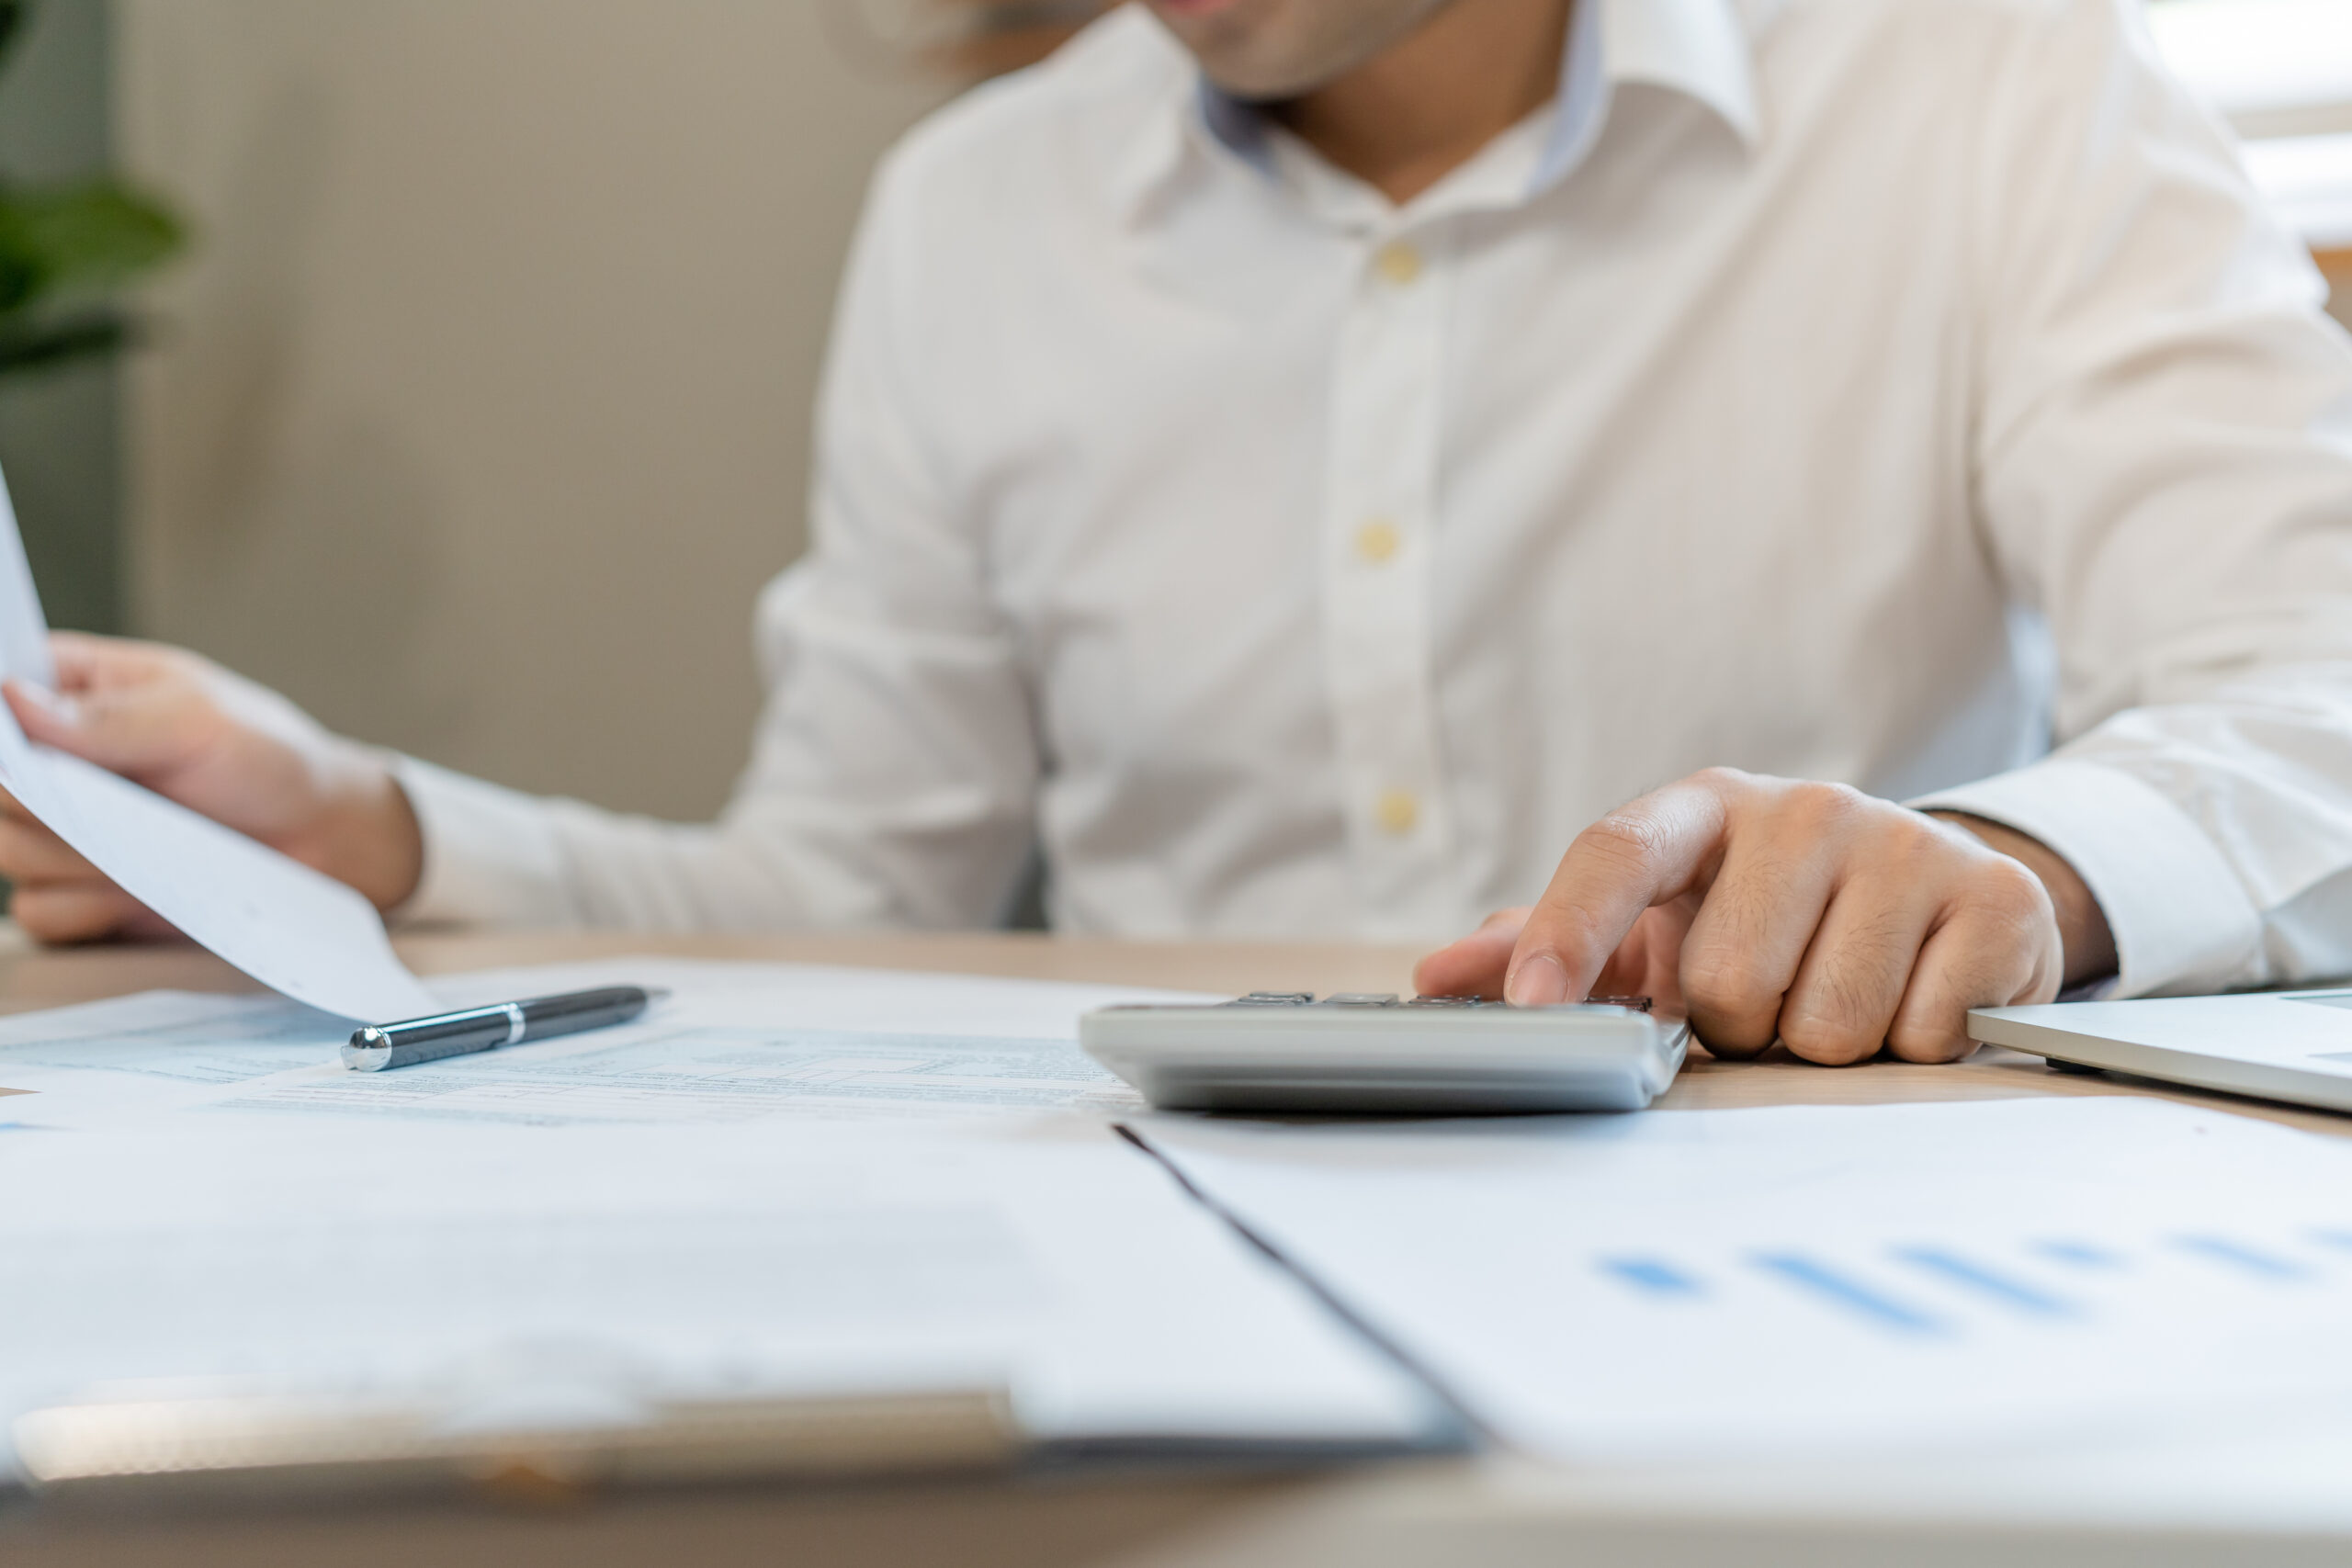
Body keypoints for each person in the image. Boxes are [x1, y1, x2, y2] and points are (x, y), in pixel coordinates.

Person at [4, 0, 2349, 1068]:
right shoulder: (978, 211)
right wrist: (371, 825)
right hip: (1146, 1227)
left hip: (1798, 1220)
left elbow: (2310, 694)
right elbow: (857, 888)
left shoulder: (1992, 77)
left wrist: (2008, 865)